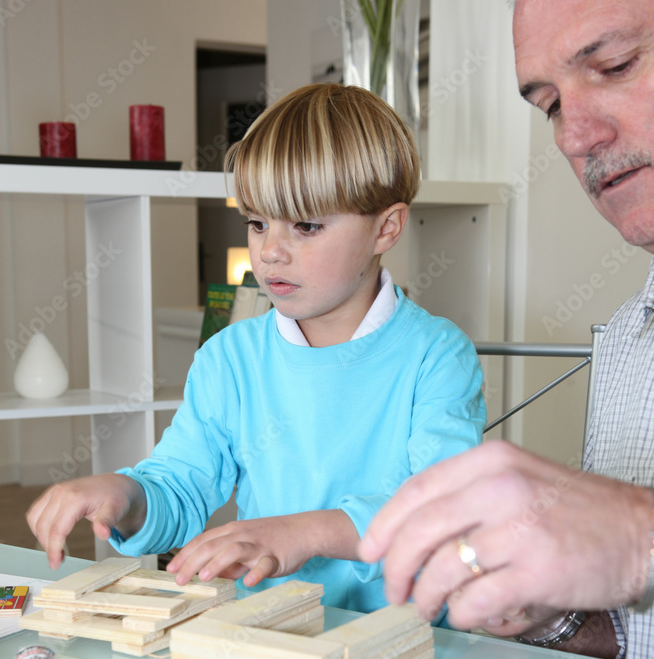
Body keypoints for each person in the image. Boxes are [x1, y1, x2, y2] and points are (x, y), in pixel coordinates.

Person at [27, 83, 485, 614]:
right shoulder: (229, 359)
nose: (270, 251)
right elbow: (182, 484)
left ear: (387, 228)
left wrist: (305, 534)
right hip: (269, 634)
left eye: (306, 226)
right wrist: (125, 497)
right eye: (258, 222)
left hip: (409, 646)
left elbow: (444, 512)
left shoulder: (436, 356)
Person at [359, 0, 654, 659]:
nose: (575, 136)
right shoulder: (625, 342)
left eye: (614, 65)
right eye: (548, 105)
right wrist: (547, 620)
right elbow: (635, 648)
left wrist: (638, 534)